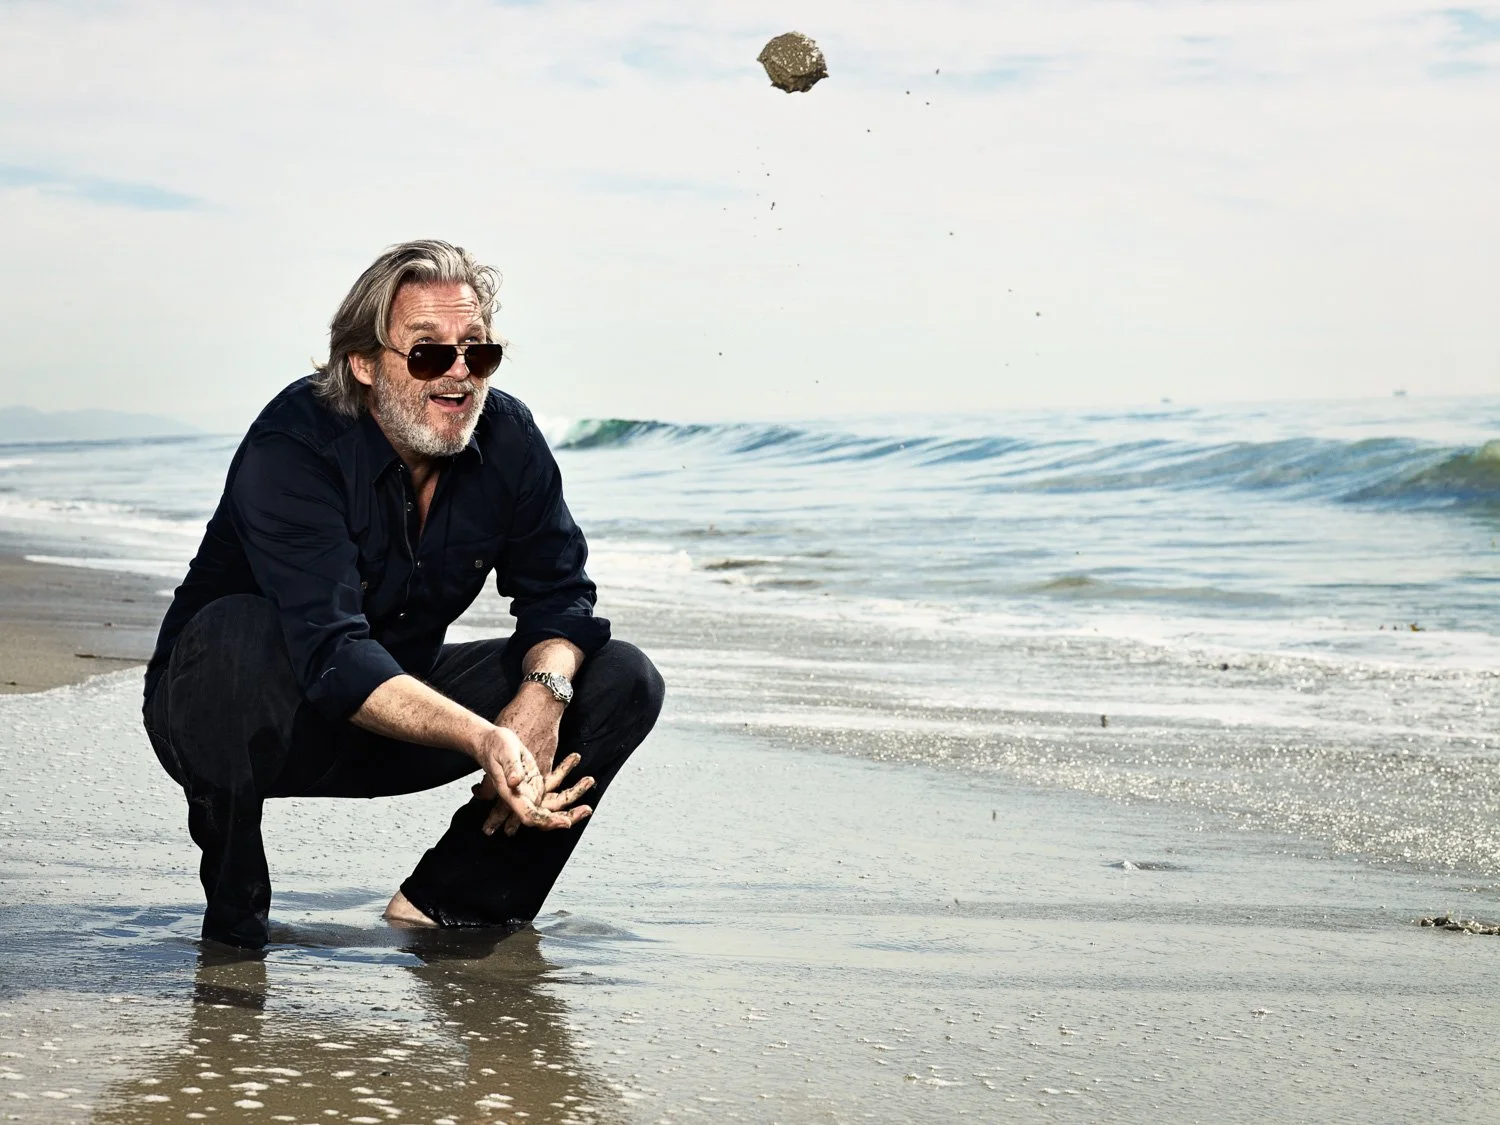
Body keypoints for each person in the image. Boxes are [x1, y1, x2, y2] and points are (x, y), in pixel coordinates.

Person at [142, 240, 664, 950]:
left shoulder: (509, 438)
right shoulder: (292, 445)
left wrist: (539, 699)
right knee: (232, 633)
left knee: (617, 676)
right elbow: (331, 653)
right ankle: (235, 923)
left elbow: (561, 594)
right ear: (363, 363)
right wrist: (485, 737)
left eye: (476, 352)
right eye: (428, 354)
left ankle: (451, 903)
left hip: (394, 716)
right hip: (245, 716)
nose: (459, 375)